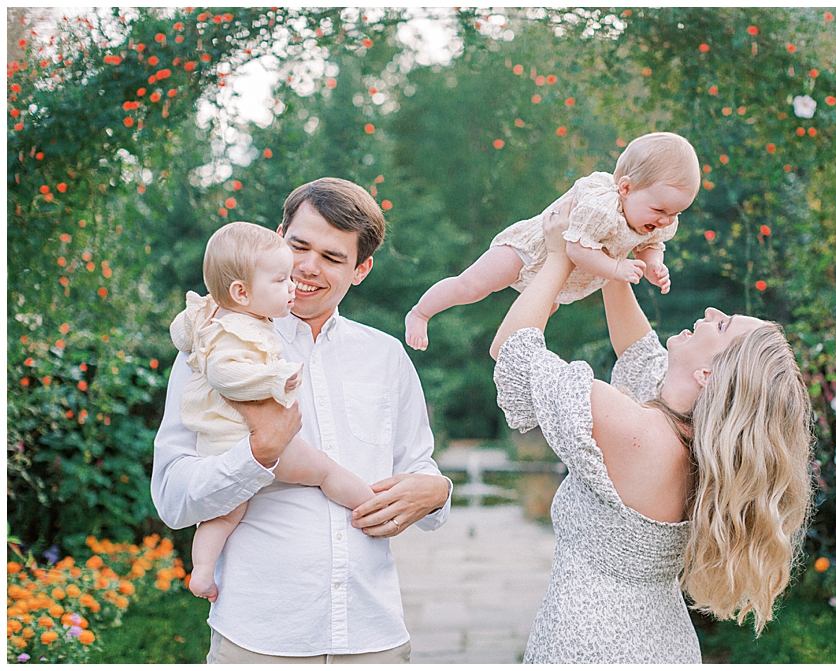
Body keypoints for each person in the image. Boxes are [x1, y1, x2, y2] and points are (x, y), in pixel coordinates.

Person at [489, 201, 814, 663]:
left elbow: (512, 351)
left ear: (707, 375)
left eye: (721, 325)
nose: (708, 310)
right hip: (661, 643)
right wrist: (611, 257)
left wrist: (562, 256)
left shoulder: (631, 427)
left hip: (591, 644)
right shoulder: (697, 442)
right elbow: (640, 354)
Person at [152, 178, 453, 664]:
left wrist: (437, 492)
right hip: (259, 637)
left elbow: (419, 463)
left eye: (333, 258)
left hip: (372, 633)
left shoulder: (386, 356)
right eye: (298, 246)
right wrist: (257, 457)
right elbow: (171, 498)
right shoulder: (212, 349)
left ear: (361, 269)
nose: (308, 268)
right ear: (277, 237)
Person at [169, 222, 376, 603]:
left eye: (331, 256)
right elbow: (224, 372)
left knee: (225, 514)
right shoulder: (238, 331)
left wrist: (192, 331)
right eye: (281, 281)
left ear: (361, 267)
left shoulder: (212, 316)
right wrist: (276, 378)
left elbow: (181, 332)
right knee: (324, 470)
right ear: (241, 292)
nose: (295, 283)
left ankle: (201, 573)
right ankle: (371, 507)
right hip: (246, 439)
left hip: (220, 441)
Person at [405, 131, 701, 350]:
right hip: (529, 251)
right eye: (660, 210)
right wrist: (614, 269)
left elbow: (651, 245)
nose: (666, 220)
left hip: (562, 277)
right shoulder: (600, 206)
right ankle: (421, 312)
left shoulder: (656, 219)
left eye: (675, 213)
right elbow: (574, 248)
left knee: (543, 312)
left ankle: (520, 351)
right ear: (625, 188)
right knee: (472, 286)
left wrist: (654, 266)